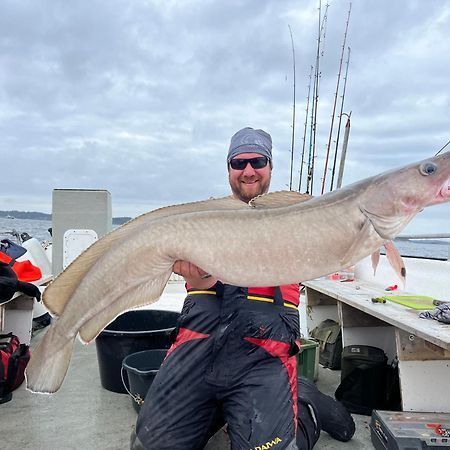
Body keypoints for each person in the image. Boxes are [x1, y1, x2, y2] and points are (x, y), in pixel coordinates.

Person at [131, 127, 354, 450]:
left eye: (257, 161)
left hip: (263, 354)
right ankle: (218, 411)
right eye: (238, 163)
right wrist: (198, 277)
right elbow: (201, 280)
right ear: (229, 169)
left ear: (270, 168)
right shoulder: (204, 218)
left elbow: (337, 243)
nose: (248, 171)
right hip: (200, 347)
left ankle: (303, 406)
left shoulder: (294, 218)